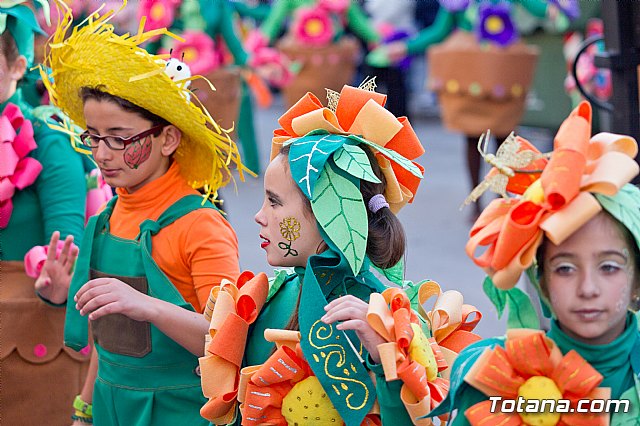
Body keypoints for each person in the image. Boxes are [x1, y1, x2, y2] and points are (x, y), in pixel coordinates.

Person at [40, 3, 249, 425]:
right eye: (94, 136)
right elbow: (108, 341)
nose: (101, 153)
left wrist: (147, 306)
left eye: (119, 138)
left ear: (168, 137)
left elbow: (228, 341)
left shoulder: (201, 225)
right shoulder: (106, 218)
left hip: (182, 412)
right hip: (111, 407)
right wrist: (85, 407)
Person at [200, 82, 433, 425]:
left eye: (275, 202)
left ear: (332, 217)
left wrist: (383, 354)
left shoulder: (382, 312)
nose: (259, 216)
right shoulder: (267, 296)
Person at [430, 101, 640, 424]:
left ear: (637, 279)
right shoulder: (499, 378)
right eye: (565, 269)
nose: (587, 289)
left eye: (609, 266)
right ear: (541, 282)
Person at [0, 3, 92, 425]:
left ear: (18, 66)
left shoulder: (49, 140)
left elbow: (66, 243)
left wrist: (55, 283)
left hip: (25, 340)